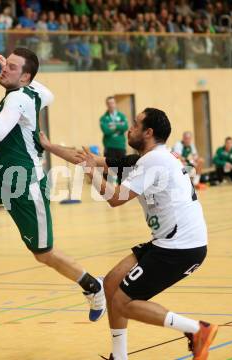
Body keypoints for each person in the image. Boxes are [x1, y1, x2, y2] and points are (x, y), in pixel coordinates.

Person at [0, 48, 106, 322]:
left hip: (25, 183)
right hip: (1, 173)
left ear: (25, 77)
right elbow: (50, 94)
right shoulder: (32, 92)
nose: (3, 69)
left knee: (44, 253)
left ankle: (92, 285)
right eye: (4, 63)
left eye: (11, 67)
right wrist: (18, 71)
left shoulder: (17, 98)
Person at [45, 108, 217, 360]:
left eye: (135, 124)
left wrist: (92, 174)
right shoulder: (148, 157)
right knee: (112, 284)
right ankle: (120, 356)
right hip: (170, 242)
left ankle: (197, 330)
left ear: (148, 132)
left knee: (122, 302)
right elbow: (87, 158)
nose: (129, 128)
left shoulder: (152, 161)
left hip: (179, 248)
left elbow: (116, 199)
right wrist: (48, 146)